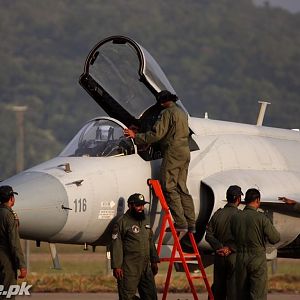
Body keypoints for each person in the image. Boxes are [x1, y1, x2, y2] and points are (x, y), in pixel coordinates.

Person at [124, 90, 195, 232]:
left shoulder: (166, 113)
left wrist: (136, 136)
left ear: (162, 102)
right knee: (182, 187)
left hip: (173, 153)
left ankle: (180, 223)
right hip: (185, 152)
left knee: (168, 186)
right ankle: (191, 223)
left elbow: (157, 135)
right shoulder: (182, 112)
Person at [230, 188, 280, 300]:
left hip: (240, 259)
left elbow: (231, 237)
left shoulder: (235, 217)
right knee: (258, 295)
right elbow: (275, 238)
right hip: (257, 259)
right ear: (257, 200)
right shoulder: (261, 218)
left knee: (241, 295)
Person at [110, 193, 159, 300]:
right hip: (129, 268)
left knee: (151, 297)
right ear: (130, 205)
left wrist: (154, 260)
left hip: (146, 267)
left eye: (142, 205)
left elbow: (150, 241)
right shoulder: (122, 222)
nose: (141, 208)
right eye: (138, 205)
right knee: (127, 297)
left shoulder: (146, 220)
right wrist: (116, 266)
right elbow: (116, 245)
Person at [205, 185, 243, 300]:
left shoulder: (217, 214)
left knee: (218, 289)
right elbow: (244, 237)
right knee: (234, 289)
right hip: (235, 257)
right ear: (238, 199)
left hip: (219, 257)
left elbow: (209, 235)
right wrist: (230, 248)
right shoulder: (241, 216)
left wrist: (220, 247)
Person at [0, 185, 27, 298]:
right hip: (6, 260)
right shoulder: (9, 216)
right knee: (7, 294)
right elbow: (14, 243)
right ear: (11, 198)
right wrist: (21, 265)